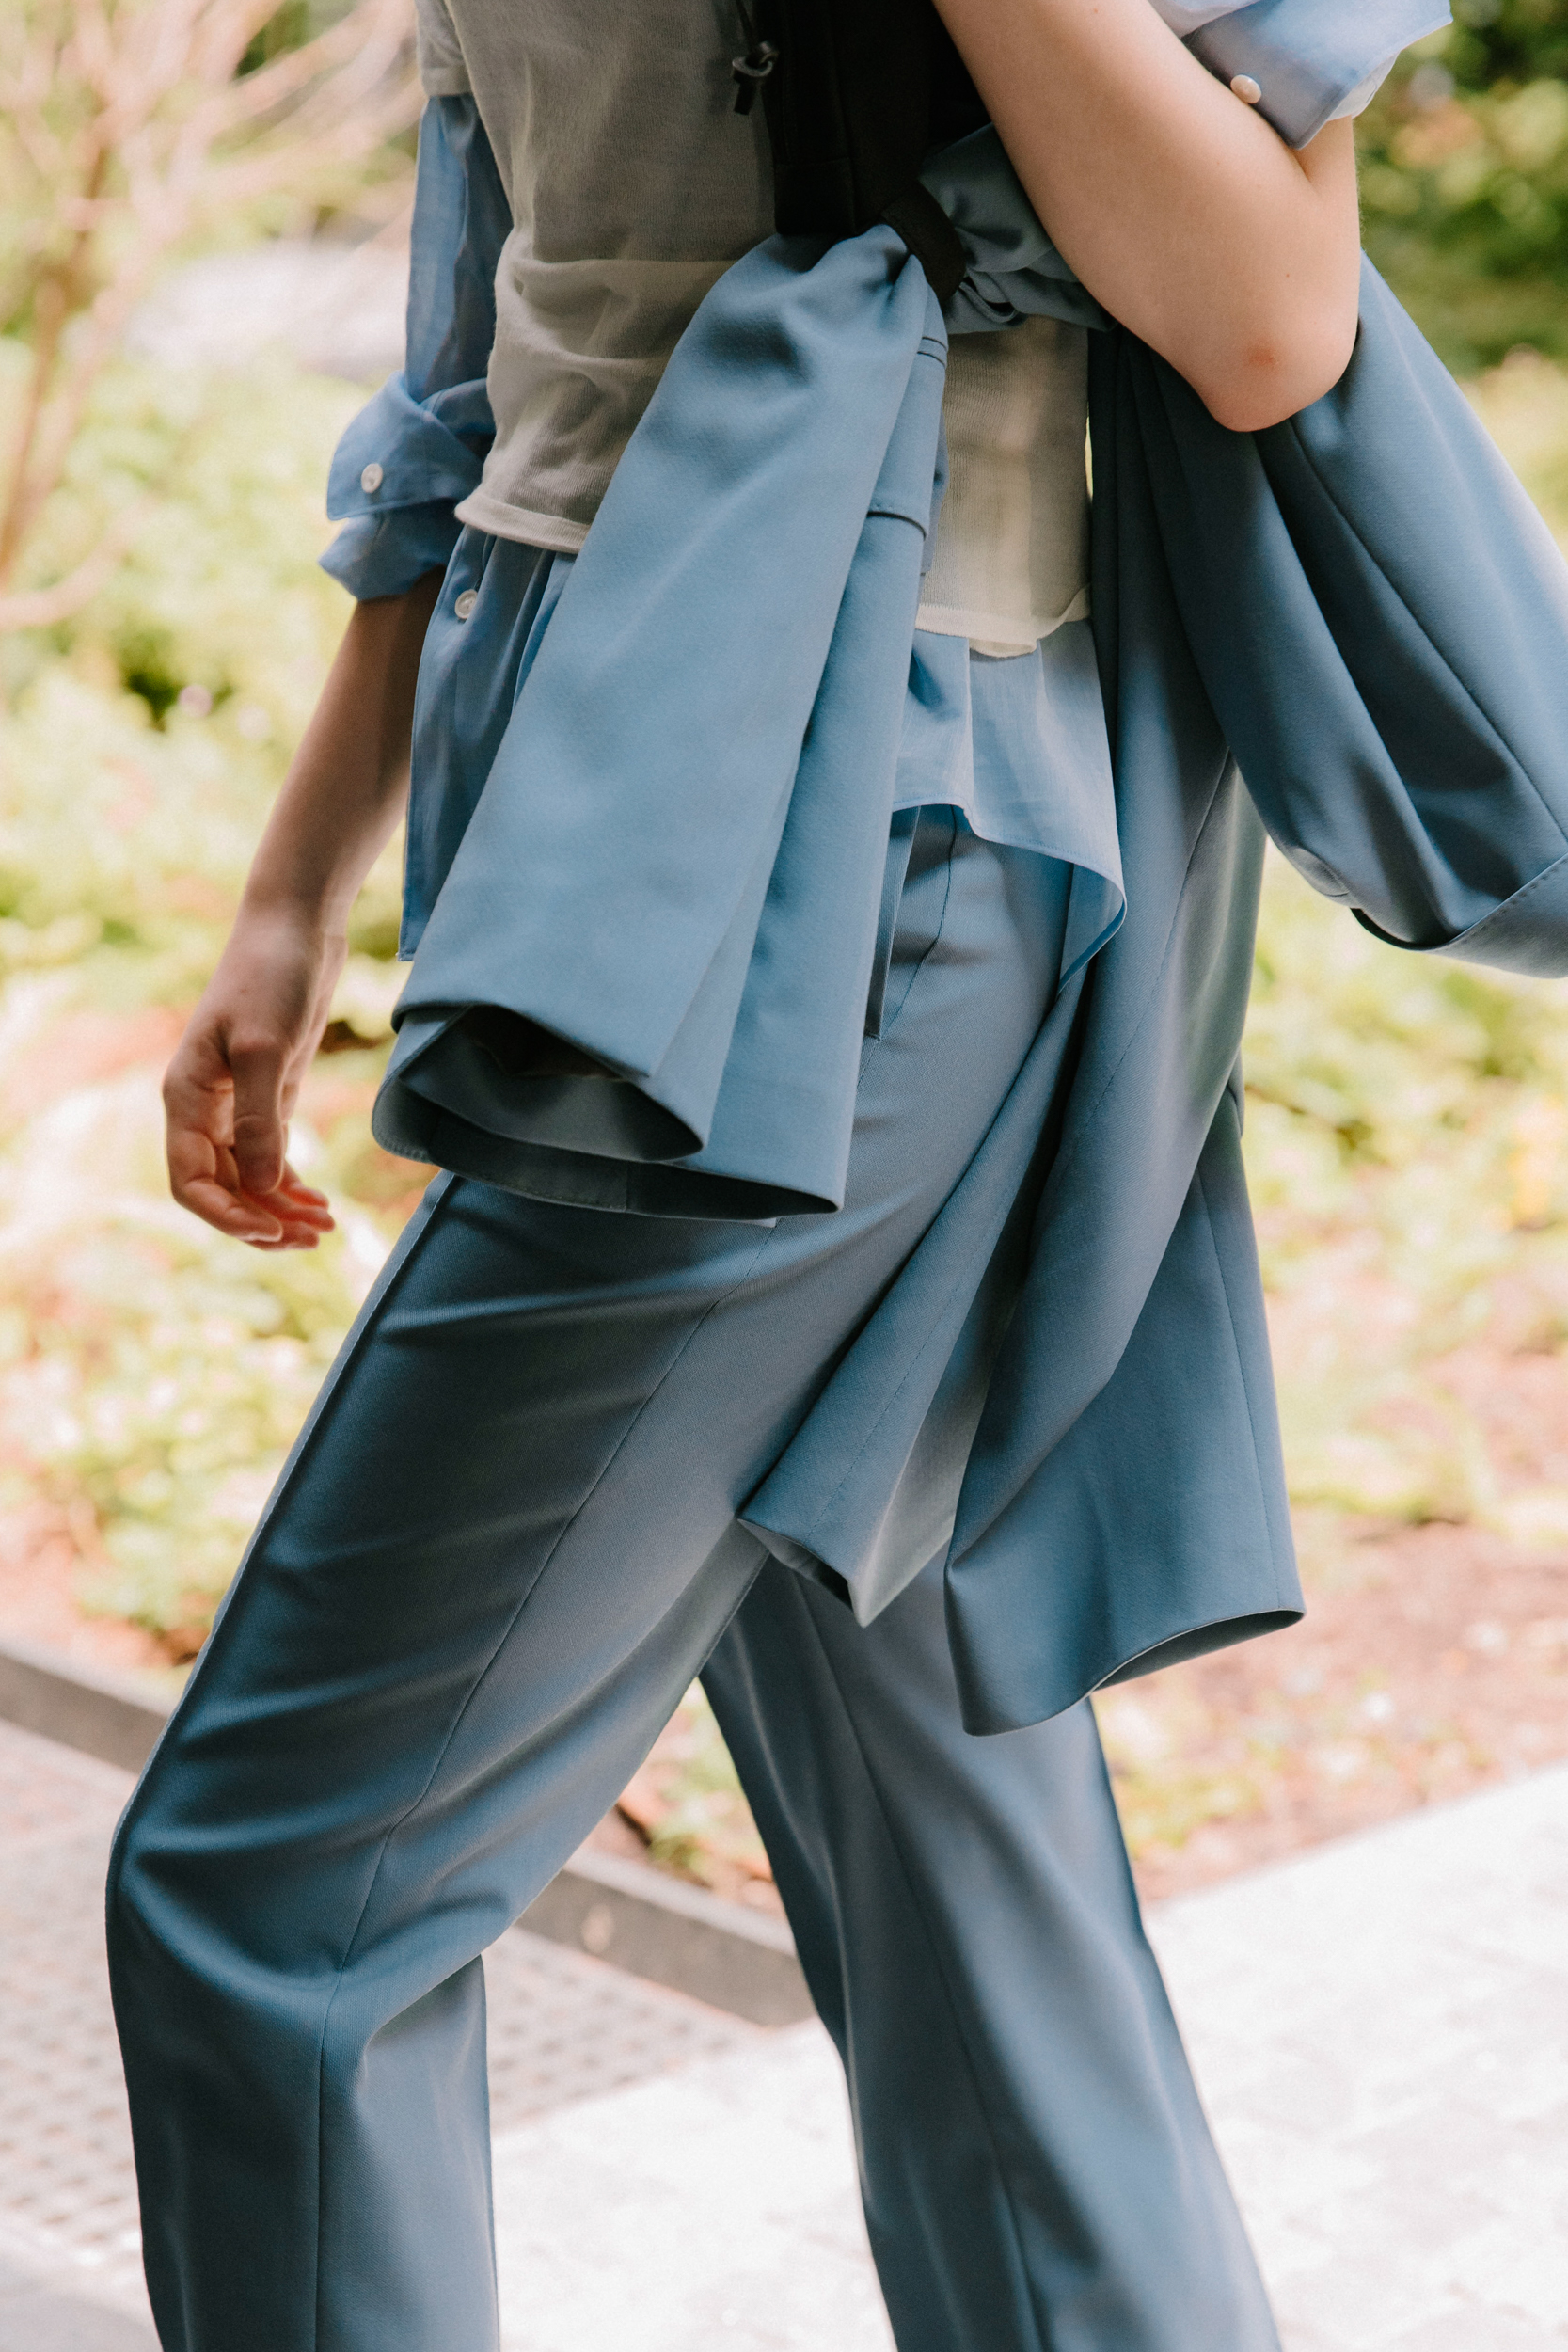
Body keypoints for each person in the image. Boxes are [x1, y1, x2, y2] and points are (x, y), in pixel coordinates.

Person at [105, 0, 1452, 2344]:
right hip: (632, 811)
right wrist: (306, 867)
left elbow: (1264, 315)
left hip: (871, 842)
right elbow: (499, 322)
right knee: (948, 1861)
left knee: (277, 1899)